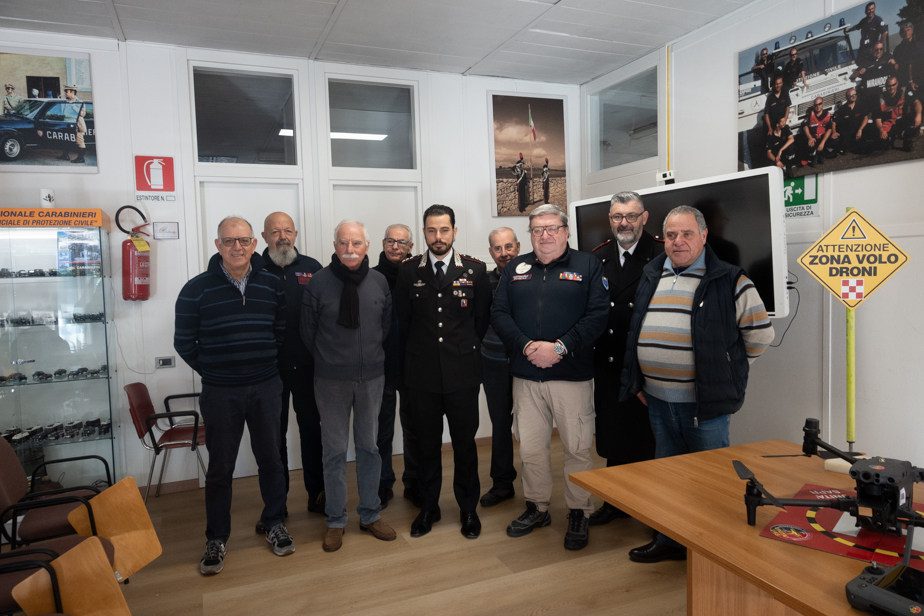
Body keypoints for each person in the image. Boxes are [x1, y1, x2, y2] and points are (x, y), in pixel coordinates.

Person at [621, 206, 775, 563]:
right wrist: (642, 380)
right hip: (657, 400)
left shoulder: (732, 280)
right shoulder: (652, 274)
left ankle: (711, 553)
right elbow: (637, 331)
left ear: (704, 236)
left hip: (704, 404)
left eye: (687, 233)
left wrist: (724, 372)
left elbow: (760, 336)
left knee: (710, 480)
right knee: (669, 476)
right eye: (671, 235)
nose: (678, 242)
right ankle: (671, 540)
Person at [174, 216, 294, 576]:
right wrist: (216, 370)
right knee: (220, 468)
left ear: (255, 244)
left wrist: (258, 364)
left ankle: (274, 521)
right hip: (220, 392)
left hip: (266, 387)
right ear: (218, 245)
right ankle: (217, 538)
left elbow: (281, 331)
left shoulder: (272, 283)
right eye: (229, 241)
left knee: (271, 459)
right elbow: (184, 344)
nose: (237, 247)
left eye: (243, 240)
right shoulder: (195, 289)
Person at [492, 204, 609, 551]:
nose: (545, 235)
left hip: (571, 376)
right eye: (537, 229)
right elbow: (499, 312)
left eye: (552, 228)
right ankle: (538, 507)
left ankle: (578, 510)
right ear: (530, 234)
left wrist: (559, 347)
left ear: (566, 231)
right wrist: (527, 346)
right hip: (526, 376)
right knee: (530, 448)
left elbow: (598, 315)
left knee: (576, 448)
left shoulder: (588, 265)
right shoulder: (515, 267)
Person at [300, 220, 397, 553]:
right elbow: (307, 332)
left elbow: (384, 328)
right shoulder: (318, 283)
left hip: (372, 378)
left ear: (367, 246)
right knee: (334, 452)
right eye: (343, 243)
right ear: (335, 245)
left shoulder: (380, 282)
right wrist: (333, 361)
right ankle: (335, 520)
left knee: (370, 448)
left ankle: (370, 514)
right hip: (330, 381)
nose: (350, 250)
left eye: (356, 243)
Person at [395, 204, 491, 539]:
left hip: (463, 373)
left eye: (444, 230)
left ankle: (468, 510)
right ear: (423, 233)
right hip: (421, 376)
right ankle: (429, 508)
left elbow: (480, 322)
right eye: (432, 230)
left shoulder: (475, 271)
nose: (438, 237)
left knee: (465, 445)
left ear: (454, 231)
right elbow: (402, 324)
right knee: (427, 446)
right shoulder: (408, 271)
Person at [589, 192, 663, 526]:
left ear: (644, 218)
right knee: (614, 436)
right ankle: (616, 501)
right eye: (618, 216)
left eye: (631, 216)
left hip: (646, 366)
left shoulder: (661, 254)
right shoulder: (598, 257)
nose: (624, 223)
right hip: (607, 363)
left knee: (648, 440)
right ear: (610, 219)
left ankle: (650, 510)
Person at [258, 211, 324, 534]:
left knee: (313, 432)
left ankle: (317, 494)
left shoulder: (313, 269)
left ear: (295, 234)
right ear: (264, 236)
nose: (282, 236)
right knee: (274, 439)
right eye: (275, 231)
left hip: (310, 369)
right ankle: (277, 502)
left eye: (287, 230)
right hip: (269, 372)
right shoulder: (254, 270)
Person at [372, 223, 418, 509]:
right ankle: (382, 484)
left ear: (410, 247)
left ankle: (413, 483)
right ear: (383, 242)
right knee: (381, 431)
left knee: (414, 428)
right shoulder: (370, 277)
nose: (395, 247)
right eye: (390, 241)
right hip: (381, 365)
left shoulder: (418, 274)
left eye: (402, 242)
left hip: (414, 364)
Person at [479, 227, 521, 509]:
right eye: (497, 248)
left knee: (532, 427)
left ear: (518, 247)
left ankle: (536, 485)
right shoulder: (483, 281)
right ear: (491, 251)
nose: (503, 253)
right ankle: (503, 483)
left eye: (508, 247)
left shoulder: (533, 276)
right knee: (500, 425)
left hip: (526, 364)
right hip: (492, 363)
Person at [873, 77, 922, 152]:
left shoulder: (904, 92)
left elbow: (917, 102)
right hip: (888, 123)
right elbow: (877, 118)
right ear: (886, 86)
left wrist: (918, 115)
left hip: (902, 121)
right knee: (884, 144)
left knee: (915, 118)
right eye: (889, 86)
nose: (891, 87)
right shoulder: (880, 98)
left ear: (897, 84)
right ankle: (890, 140)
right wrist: (881, 130)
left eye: (893, 85)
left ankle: (907, 140)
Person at [851, 43, 896, 114]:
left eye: (881, 49)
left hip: (886, 95)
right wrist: (860, 71)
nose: (879, 51)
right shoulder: (866, 61)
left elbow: (897, 68)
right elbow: (853, 76)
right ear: (871, 50)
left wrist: (894, 63)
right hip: (872, 97)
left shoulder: (887, 56)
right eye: (876, 49)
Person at [830, 88, 869, 155]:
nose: (854, 96)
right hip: (847, 132)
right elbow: (834, 122)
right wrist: (834, 132)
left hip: (859, 130)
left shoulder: (861, 105)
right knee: (844, 147)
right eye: (851, 95)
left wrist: (860, 130)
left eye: (855, 94)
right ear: (847, 97)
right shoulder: (842, 109)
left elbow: (866, 118)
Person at [797, 97, 834, 167]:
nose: (818, 106)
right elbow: (805, 126)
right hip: (814, 138)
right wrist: (810, 138)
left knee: (834, 140)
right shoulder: (810, 114)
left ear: (822, 104)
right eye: (816, 105)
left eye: (819, 104)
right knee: (809, 145)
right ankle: (813, 156)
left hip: (823, 138)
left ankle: (823, 154)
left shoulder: (828, 115)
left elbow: (829, 129)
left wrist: (823, 143)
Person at [56, 86, 83, 163]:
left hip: (74, 124)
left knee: (78, 141)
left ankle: (80, 158)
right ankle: (65, 155)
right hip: (66, 123)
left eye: (67, 92)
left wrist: (73, 105)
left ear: (72, 92)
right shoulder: (67, 100)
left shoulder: (78, 101)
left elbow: (81, 113)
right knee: (65, 139)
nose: (65, 93)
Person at [893, 22, 923, 91]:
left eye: (908, 30)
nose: (906, 33)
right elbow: (897, 66)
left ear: (912, 30)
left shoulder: (919, 45)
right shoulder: (898, 49)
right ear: (901, 34)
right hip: (905, 80)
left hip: (919, 78)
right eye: (904, 31)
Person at [765, 110, 796, 177]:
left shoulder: (786, 128)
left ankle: (788, 168)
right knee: (770, 166)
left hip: (784, 153)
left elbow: (791, 139)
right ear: (777, 124)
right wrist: (777, 161)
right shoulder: (770, 135)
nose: (784, 123)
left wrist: (781, 150)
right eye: (782, 122)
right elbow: (768, 153)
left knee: (791, 147)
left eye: (784, 121)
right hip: (776, 157)